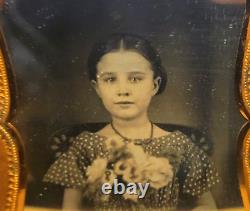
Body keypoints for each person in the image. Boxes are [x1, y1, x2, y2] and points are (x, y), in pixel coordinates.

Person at [43, 33, 219, 210]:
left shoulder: (179, 144)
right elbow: (70, 208)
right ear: (97, 88)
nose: (123, 90)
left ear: (154, 85)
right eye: (110, 79)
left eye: (135, 78)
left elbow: (206, 204)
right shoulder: (85, 146)